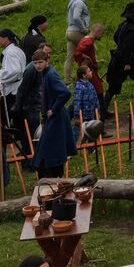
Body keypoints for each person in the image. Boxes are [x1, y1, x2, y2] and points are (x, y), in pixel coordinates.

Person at [30, 50, 76, 178]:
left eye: (40, 62)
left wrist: (54, 109)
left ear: (47, 61)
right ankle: (51, 176)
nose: (38, 65)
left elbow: (65, 93)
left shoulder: (51, 75)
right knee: (47, 149)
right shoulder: (44, 74)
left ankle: (55, 177)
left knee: (53, 149)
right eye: (35, 63)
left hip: (57, 117)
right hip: (51, 117)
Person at [103, 2, 134, 116]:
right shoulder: (131, 29)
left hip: (119, 56)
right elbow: (127, 47)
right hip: (125, 58)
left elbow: (115, 37)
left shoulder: (123, 24)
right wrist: (127, 63)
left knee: (113, 85)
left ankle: (102, 109)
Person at [0, 29, 27, 147]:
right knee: (18, 122)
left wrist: (0, 74)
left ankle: (0, 151)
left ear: (6, 39)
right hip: (16, 90)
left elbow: (15, 71)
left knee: (0, 123)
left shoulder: (10, 53)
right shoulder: (17, 50)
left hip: (11, 92)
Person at [65, 0, 90, 80]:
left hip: (69, 31)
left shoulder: (72, 1)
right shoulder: (79, 3)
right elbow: (76, 17)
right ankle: (87, 74)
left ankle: (68, 79)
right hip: (76, 32)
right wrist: (83, 28)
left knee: (70, 57)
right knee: (90, 50)